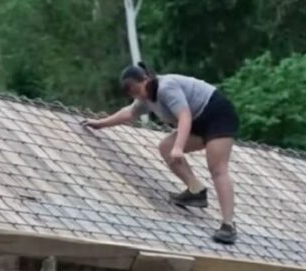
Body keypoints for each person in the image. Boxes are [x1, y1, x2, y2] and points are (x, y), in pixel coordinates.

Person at [83, 62, 240, 244]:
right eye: (132, 93)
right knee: (165, 147)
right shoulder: (146, 98)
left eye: (137, 89)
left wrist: (179, 147)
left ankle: (228, 225)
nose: (137, 95)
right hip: (197, 121)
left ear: (146, 79)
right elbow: (129, 113)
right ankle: (196, 190)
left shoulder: (167, 87)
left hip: (217, 114)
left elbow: (184, 116)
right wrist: (100, 124)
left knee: (217, 169)